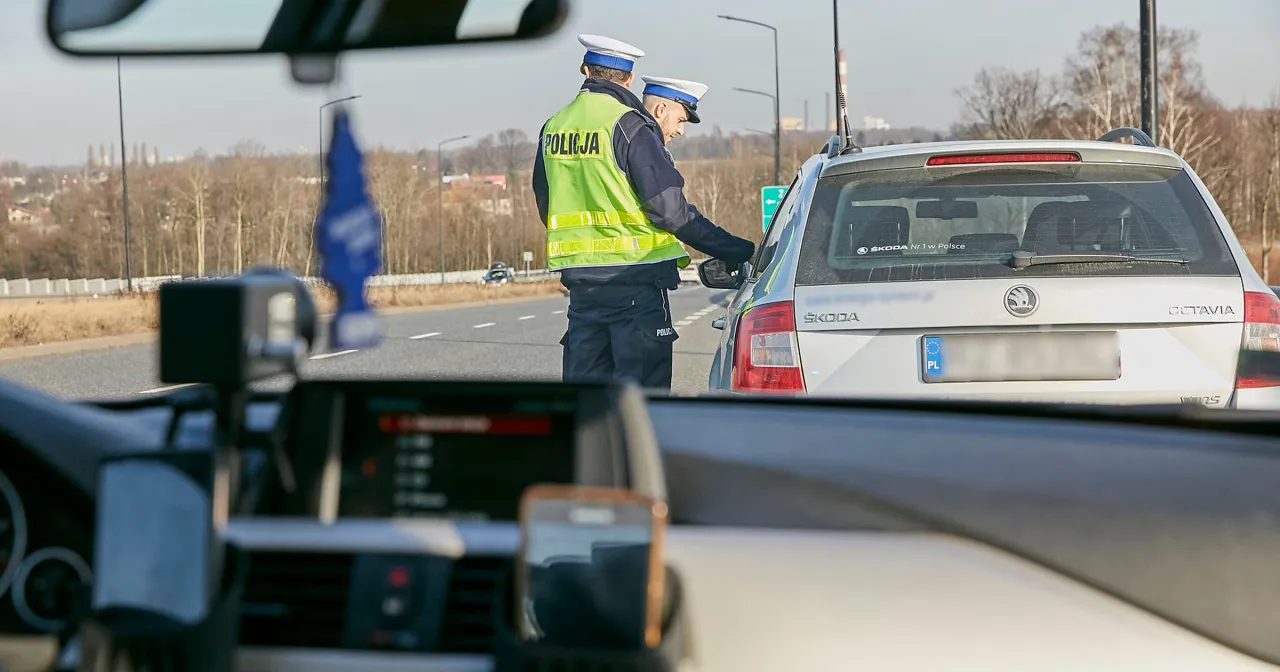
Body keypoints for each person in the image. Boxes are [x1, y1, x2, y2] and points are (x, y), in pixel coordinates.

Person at [532, 35, 756, 390]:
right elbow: (671, 212)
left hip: (581, 291)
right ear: (629, 80)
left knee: (586, 399)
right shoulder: (630, 126)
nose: (680, 130)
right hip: (634, 287)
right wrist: (739, 250)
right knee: (642, 399)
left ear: (586, 71)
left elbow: (547, 205)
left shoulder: (553, 127)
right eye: (681, 120)